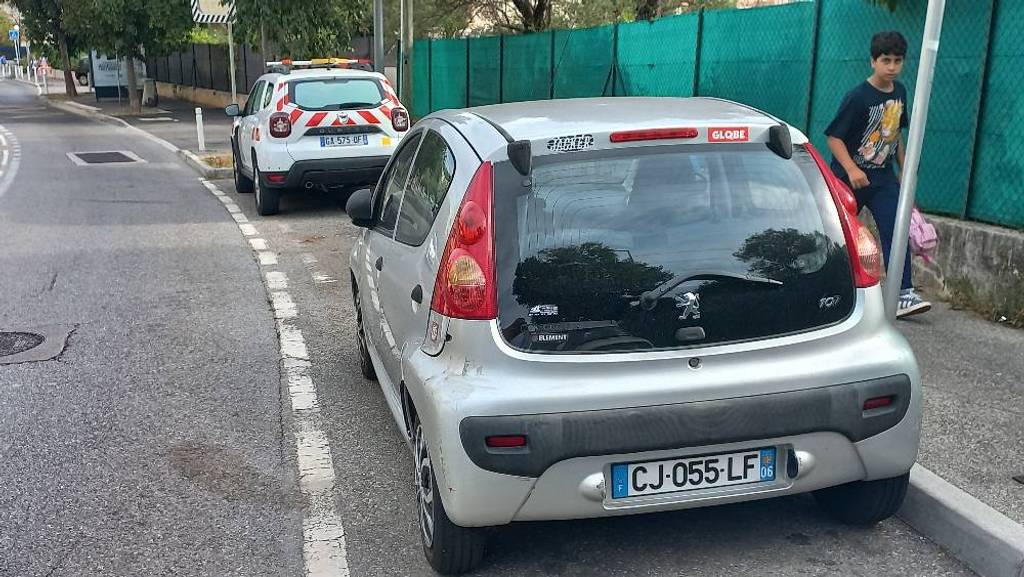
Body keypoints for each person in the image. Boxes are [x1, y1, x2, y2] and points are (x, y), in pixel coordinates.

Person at [825, 30, 931, 319]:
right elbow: (834, 137)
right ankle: (826, 287)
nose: (892, 67)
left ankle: (903, 294)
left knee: (896, 230)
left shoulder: (900, 93)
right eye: (886, 60)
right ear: (873, 61)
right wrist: (851, 169)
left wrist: (904, 167)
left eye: (898, 61)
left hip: (883, 178)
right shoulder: (858, 97)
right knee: (838, 235)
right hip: (850, 179)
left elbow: (894, 134)